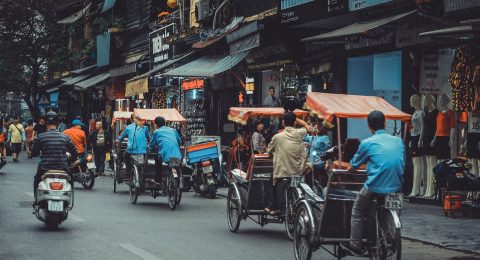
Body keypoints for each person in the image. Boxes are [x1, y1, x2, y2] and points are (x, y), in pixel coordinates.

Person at [341, 111, 405, 255]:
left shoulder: (367, 143)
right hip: (397, 187)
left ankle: (355, 245)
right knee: (390, 210)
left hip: (374, 186)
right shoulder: (398, 141)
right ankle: (391, 237)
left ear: (369, 127)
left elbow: (353, 165)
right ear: (385, 123)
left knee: (357, 210)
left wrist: (351, 169)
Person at [265, 112, 311, 214]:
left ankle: (273, 206)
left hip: (283, 172)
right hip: (298, 171)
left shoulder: (277, 137)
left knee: (269, 181)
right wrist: (296, 119)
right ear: (295, 123)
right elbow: (307, 126)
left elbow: (269, 151)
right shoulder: (301, 133)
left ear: (282, 122)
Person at [31, 112, 78, 205]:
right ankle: (68, 202)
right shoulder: (65, 137)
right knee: (71, 180)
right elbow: (74, 153)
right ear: (57, 123)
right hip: (62, 168)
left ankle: (36, 200)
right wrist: (74, 160)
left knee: (37, 180)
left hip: (45, 168)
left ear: (46, 123)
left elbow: (34, 153)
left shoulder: (41, 137)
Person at [149, 116, 182, 185]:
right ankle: (179, 182)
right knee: (176, 166)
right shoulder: (173, 130)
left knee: (157, 160)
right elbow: (179, 141)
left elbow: (151, 145)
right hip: (176, 155)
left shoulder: (156, 132)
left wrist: (148, 149)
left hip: (165, 155)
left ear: (156, 124)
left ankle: (158, 180)